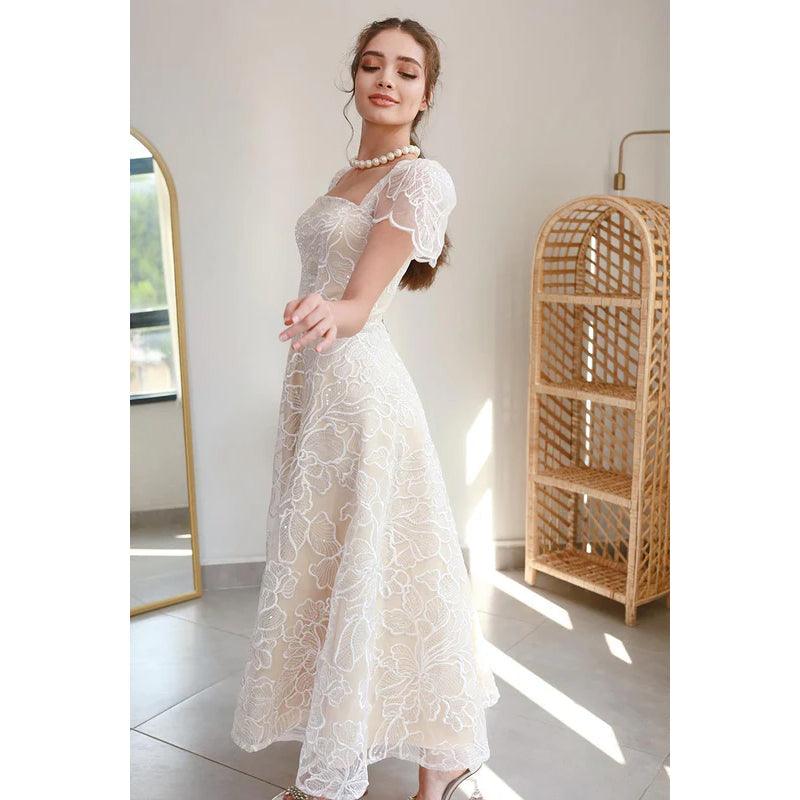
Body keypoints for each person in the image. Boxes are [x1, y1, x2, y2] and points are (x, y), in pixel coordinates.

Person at [231, 17, 499, 800]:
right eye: (373, 65)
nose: (387, 79)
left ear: (426, 93)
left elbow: (357, 303)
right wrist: (320, 317)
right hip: (315, 387)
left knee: (379, 571)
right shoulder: (348, 176)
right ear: (354, 78)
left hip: (358, 393)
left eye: (407, 71)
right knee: (337, 573)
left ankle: (402, 768)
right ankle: (426, 760)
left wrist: (329, 312)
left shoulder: (421, 180)